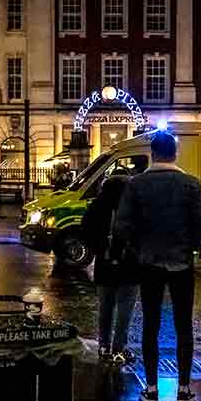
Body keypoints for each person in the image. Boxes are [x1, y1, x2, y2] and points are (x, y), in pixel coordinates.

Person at [114, 131, 201, 401]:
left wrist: (138, 246)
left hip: (149, 263)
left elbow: (121, 227)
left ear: (153, 153)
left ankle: (152, 387)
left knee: (150, 325)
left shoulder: (136, 185)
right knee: (184, 326)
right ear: (175, 153)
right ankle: (183, 389)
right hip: (182, 262)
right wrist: (191, 245)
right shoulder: (191, 185)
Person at [83, 156, 148, 366]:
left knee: (106, 308)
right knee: (125, 310)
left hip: (104, 264)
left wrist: (99, 250)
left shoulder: (97, 206)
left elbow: (86, 231)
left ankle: (103, 346)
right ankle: (119, 349)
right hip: (129, 266)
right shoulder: (135, 207)